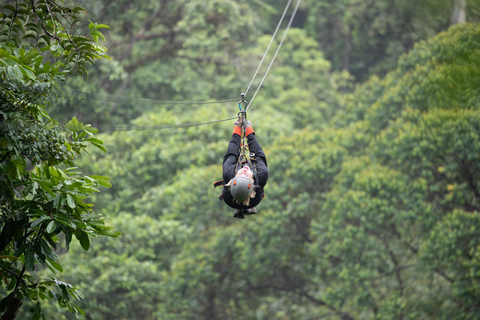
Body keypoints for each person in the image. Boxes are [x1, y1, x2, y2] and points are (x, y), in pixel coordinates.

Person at [221, 118, 268, 219]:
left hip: (231, 201)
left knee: (236, 162)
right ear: (252, 182)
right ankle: (247, 206)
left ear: (235, 176)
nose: (244, 170)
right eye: (246, 175)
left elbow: (231, 152)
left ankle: (242, 205)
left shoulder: (228, 173)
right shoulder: (261, 176)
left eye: (241, 173)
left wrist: (237, 129)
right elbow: (258, 153)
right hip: (253, 201)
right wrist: (249, 131)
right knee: (254, 164)